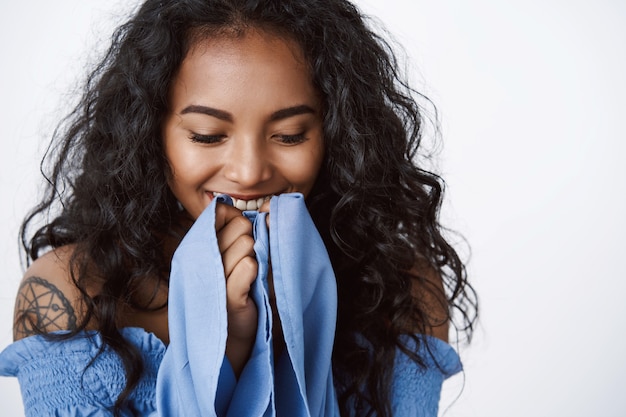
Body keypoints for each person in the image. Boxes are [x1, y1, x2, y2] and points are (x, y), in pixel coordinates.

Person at [0, 0, 477, 416]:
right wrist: (223, 351)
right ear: (150, 134)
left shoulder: (402, 293)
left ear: (338, 134)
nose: (249, 172)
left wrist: (289, 333)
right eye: (207, 135)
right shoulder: (71, 295)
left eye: (290, 135)